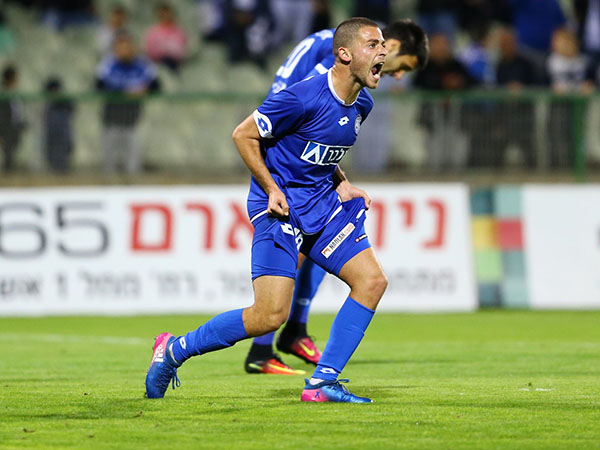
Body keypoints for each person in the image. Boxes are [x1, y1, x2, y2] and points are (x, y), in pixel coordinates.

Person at [146, 17, 394, 403]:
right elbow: (243, 134)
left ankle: (322, 383)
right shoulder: (302, 96)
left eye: (383, 45)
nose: (383, 52)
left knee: (372, 282)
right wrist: (272, 188)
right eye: (372, 44)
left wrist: (342, 182)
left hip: (321, 205)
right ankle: (174, 350)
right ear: (344, 54)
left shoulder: (363, 104)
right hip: (280, 207)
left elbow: (320, 152)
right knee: (269, 316)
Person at [244, 19, 429, 375]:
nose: (398, 76)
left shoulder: (340, 56)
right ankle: (265, 345)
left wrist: (339, 179)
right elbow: (301, 105)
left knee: (324, 242)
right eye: (403, 67)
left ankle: (291, 332)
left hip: (299, 154)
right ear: (390, 46)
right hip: (284, 159)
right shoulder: (336, 56)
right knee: (299, 249)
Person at [96, 32, 160, 174]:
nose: (124, 50)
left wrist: (143, 90)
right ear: (115, 49)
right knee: (108, 165)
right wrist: (126, 91)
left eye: (127, 46)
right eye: (120, 47)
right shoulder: (107, 64)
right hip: (111, 119)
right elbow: (99, 87)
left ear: (132, 47)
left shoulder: (143, 64)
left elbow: (156, 86)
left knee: (133, 164)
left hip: (134, 119)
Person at [144, 3, 188, 73]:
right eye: (163, 14)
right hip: (159, 63)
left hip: (177, 63)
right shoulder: (153, 32)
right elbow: (149, 51)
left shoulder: (180, 31)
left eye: (167, 13)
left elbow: (184, 49)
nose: (165, 16)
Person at [0, 65, 25, 172]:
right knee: (8, 156)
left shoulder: (15, 94)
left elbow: (17, 112)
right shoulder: (3, 95)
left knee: (13, 155)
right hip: (6, 130)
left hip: (15, 129)